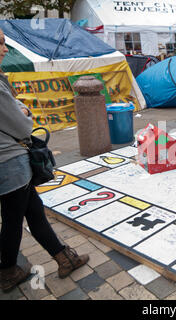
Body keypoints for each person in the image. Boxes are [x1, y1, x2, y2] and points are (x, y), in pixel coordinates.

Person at [0, 29, 89, 293]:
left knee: (33, 210)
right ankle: (7, 271)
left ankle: (64, 257)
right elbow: (22, 126)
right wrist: (23, 112)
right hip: (9, 161)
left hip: (6, 162)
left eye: (5, 43)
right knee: (14, 219)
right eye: (0, 44)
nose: (5, 49)